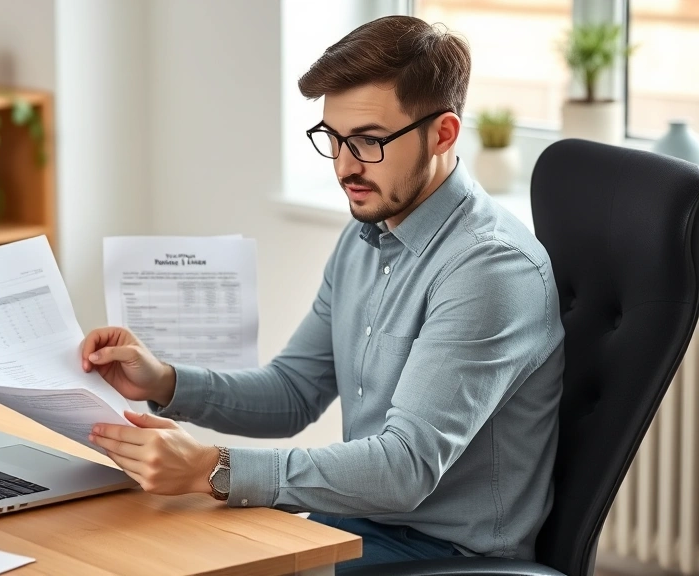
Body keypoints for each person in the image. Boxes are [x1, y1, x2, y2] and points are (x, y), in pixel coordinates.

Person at [81, 14, 564, 571]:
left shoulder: (490, 269)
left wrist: (214, 467)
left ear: (444, 133)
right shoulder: (370, 232)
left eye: (368, 142)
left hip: (443, 555)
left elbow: (404, 469)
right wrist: (163, 379)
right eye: (332, 139)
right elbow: (293, 393)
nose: (344, 166)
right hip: (353, 523)